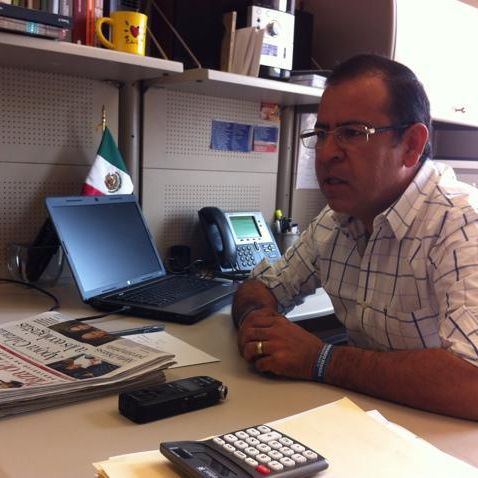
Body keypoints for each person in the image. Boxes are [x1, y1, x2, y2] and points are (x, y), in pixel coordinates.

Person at [232, 54, 478, 420]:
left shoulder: (461, 224)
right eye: (321, 134)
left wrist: (321, 360)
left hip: (442, 440)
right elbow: (264, 286)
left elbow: (472, 383)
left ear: (411, 145)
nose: (327, 153)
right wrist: (257, 323)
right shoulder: (338, 220)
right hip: (365, 422)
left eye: (352, 133)